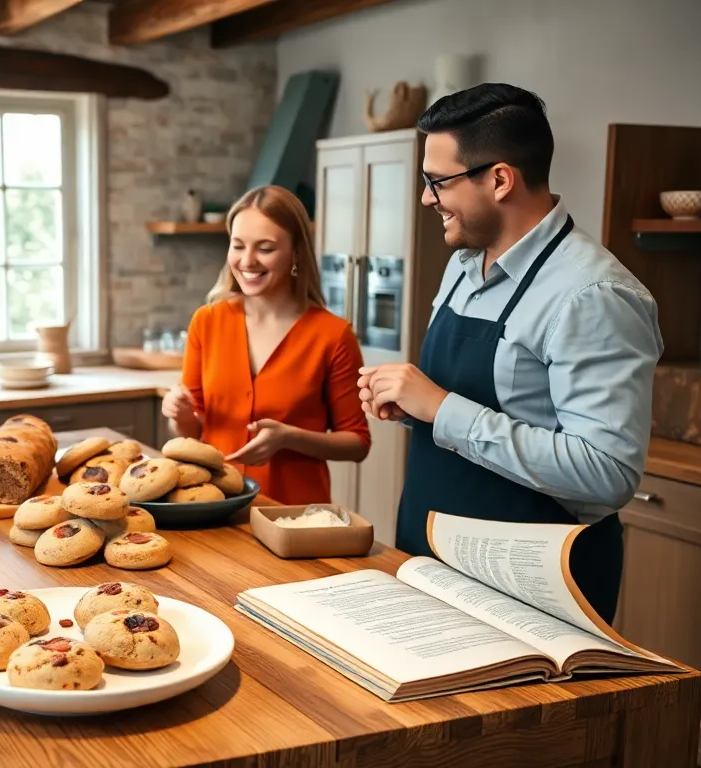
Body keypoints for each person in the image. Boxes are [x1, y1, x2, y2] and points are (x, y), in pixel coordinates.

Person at [357, 83, 662, 624]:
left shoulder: (593, 295)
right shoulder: (462, 264)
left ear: (499, 179)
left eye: (438, 182)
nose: (427, 198)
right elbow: (472, 412)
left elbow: (608, 471)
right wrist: (414, 409)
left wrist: (441, 407)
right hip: (433, 562)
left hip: (533, 591)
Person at [162, 185, 371, 505]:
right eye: (238, 245)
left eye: (265, 248)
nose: (247, 261)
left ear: (297, 252)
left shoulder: (333, 336)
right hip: (216, 508)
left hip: (294, 517)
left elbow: (357, 443)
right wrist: (179, 414)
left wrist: (290, 438)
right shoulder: (207, 322)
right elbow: (194, 432)